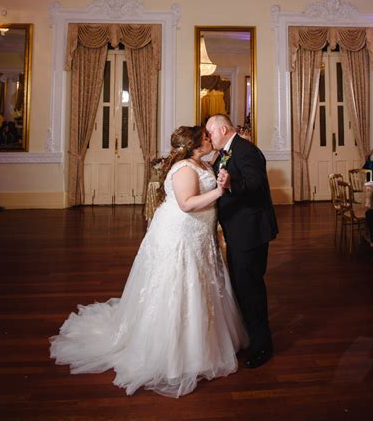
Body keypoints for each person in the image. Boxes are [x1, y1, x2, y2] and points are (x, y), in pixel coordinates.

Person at [50, 126, 248, 398]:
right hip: (181, 233)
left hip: (199, 233)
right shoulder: (184, 169)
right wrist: (220, 191)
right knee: (179, 285)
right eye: (205, 137)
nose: (209, 139)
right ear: (193, 145)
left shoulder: (199, 161)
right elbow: (187, 203)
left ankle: (202, 343)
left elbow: (220, 163)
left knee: (201, 283)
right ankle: (175, 352)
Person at [205, 114, 278, 369]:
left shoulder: (246, 151)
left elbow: (256, 185)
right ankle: (252, 336)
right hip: (238, 231)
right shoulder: (228, 150)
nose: (209, 137)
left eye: (210, 132)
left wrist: (231, 183)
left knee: (251, 289)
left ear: (223, 129)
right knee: (242, 287)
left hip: (250, 233)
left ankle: (263, 346)